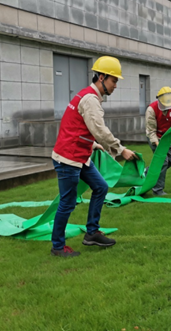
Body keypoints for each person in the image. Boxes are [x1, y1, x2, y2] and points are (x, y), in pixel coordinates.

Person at [51, 56, 138, 257]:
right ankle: (57, 247)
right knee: (68, 202)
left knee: (101, 187)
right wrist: (120, 149)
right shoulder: (90, 100)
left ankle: (91, 233)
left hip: (80, 155)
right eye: (113, 80)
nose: (115, 85)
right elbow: (99, 129)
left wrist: (94, 144)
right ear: (101, 77)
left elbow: (80, 127)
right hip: (68, 158)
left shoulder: (88, 96)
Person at [145, 87, 171, 196]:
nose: (168, 106)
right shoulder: (151, 109)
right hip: (154, 137)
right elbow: (151, 131)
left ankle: (147, 172)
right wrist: (158, 144)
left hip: (166, 137)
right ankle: (157, 190)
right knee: (163, 161)